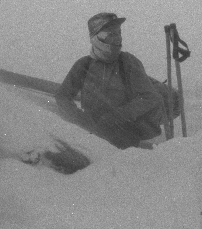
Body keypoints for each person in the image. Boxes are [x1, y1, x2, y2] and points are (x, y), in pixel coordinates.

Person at [56, 12, 165, 149]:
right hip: (91, 138)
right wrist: (79, 119)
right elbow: (62, 96)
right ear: (97, 38)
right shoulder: (84, 65)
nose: (117, 38)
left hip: (125, 140)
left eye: (119, 33)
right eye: (111, 34)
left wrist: (118, 116)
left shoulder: (128, 62)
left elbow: (150, 98)